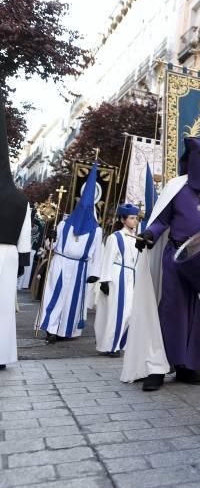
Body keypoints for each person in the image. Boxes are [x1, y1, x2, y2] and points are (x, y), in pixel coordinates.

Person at [132, 136, 200, 391]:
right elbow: (162, 219)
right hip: (176, 258)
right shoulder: (176, 186)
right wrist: (149, 235)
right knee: (172, 311)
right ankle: (160, 367)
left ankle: (190, 365)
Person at [38, 164, 103, 342]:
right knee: (55, 294)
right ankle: (50, 328)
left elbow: (98, 253)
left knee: (71, 300)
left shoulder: (96, 231)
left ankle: (66, 330)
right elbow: (51, 246)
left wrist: (95, 273)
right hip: (60, 263)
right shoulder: (64, 225)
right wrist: (50, 236)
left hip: (80, 268)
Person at [0, 94, 32, 370]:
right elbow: (25, 236)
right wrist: (22, 262)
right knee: (4, 308)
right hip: (9, 255)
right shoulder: (21, 199)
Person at [94, 204, 140, 356]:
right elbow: (107, 259)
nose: (135, 221)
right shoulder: (115, 237)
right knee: (117, 312)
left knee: (129, 312)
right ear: (123, 219)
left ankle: (120, 343)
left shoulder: (136, 238)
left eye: (136, 218)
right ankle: (110, 346)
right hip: (117, 276)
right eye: (132, 218)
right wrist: (104, 280)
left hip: (130, 277)